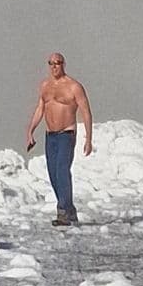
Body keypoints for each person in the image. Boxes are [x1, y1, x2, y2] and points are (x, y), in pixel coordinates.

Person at [23, 50, 94, 226]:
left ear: (64, 64)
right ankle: (69, 210)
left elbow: (86, 112)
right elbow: (41, 108)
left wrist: (88, 139)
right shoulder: (45, 86)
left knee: (62, 170)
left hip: (66, 134)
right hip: (50, 135)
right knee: (53, 174)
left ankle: (63, 211)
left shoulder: (74, 86)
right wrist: (30, 130)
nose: (54, 66)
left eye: (58, 63)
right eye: (51, 63)